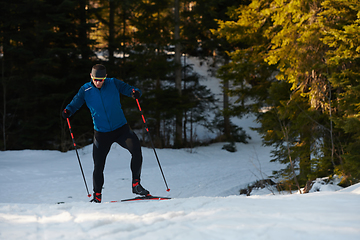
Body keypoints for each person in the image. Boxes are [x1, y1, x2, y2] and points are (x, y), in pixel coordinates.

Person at [62, 64, 149, 203]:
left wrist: (135, 92)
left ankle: (136, 185)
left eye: (101, 79)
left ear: (105, 77)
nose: (98, 82)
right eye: (96, 79)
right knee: (98, 165)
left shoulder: (113, 83)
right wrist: (68, 110)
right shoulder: (86, 89)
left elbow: (128, 88)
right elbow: (76, 102)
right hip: (102, 133)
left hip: (121, 129)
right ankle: (97, 196)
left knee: (136, 150)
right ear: (91, 76)